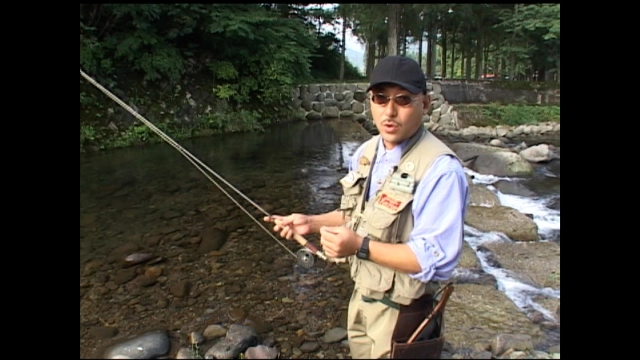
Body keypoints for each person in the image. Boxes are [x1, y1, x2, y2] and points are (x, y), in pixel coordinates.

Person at [264, 55, 469, 359]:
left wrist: (358, 246)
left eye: (403, 100)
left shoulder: (442, 171)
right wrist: (311, 222)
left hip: (404, 316)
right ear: (370, 100)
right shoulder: (366, 151)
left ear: (425, 104)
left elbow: (434, 260)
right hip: (362, 300)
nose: (389, 110)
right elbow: (357, 216)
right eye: (381, 98)